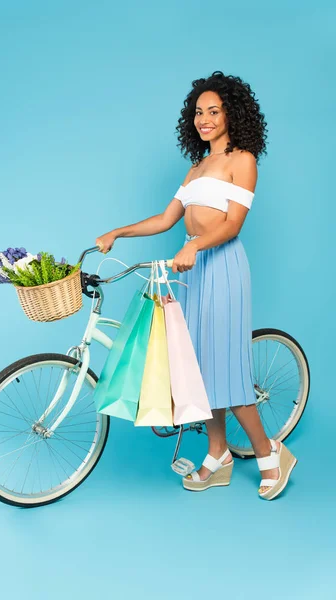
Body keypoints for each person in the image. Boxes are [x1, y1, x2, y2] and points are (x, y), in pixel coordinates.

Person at [95, 70, 297, 501]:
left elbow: (233, 224)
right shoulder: (197, 167)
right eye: (198, 112)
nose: (204, 119)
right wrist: (118, 231)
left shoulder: (241, 160)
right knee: (198, 368)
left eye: (214, 111)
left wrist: (197, 245)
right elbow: (167, 219)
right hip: (192, 267)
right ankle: (218, 453)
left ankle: (269, 453)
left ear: (232, 114)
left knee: (225, 365)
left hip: (221, 264)